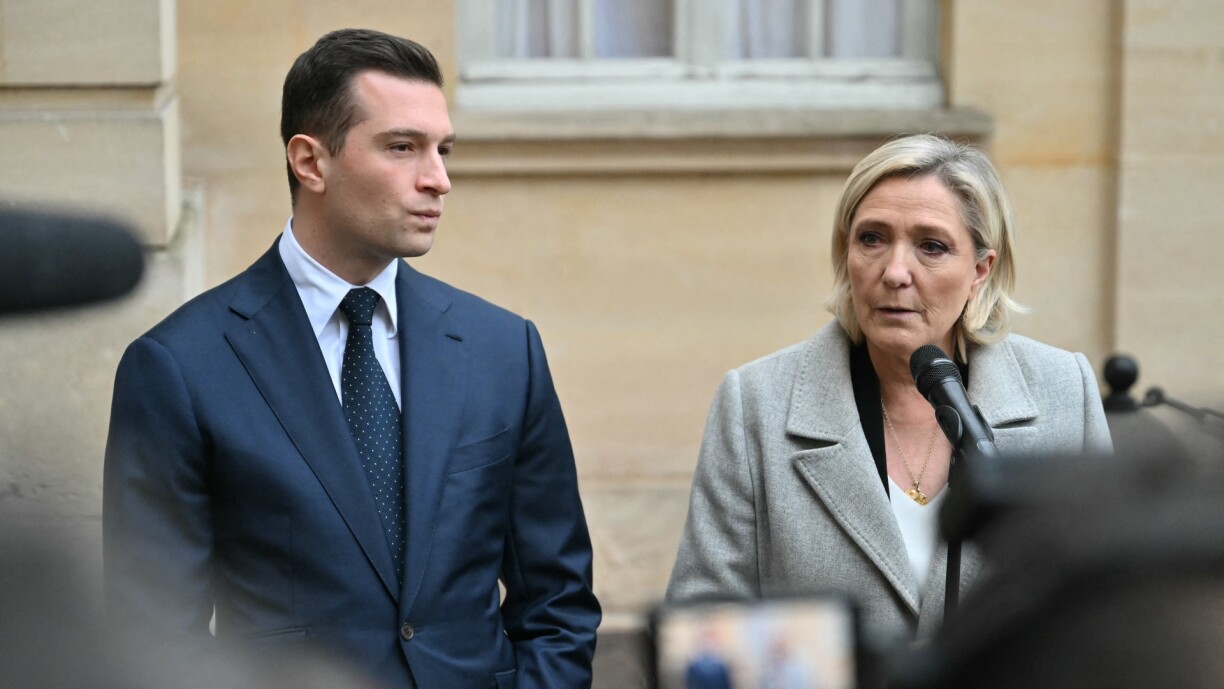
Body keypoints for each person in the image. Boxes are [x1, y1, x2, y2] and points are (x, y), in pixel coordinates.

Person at [103, 28, 600, 688]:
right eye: (402, 147)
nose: (439, 179)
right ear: (310, 162)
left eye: (443, 150)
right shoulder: (179, 367)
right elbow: (156, 643)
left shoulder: (505, 350)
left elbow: (558, 607)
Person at [666, 134, 1112, 642]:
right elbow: (701, 630)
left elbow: (1112, 615)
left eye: (932, 246)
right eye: (872, 239)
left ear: (980, 271)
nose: (895, 272)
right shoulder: (756, 403)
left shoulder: (1063, 393)